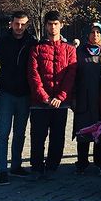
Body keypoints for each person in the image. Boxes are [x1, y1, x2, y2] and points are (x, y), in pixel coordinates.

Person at [27, 10, 77, 179]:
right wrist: (45, 97)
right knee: (37, 136)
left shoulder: (69, 49)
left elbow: (71, 75)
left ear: (61, 25)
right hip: (39, 102)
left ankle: (52, 167)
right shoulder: (37, 49)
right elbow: (33, 75)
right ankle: (36, 167)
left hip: (60, 103)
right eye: (50, 24)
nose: (53, 27)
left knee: (57, 136)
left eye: (56, 24)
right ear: (46, 25)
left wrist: (60, 97)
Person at [0, 11, 37, 185]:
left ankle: (16, 166)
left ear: (27, 24)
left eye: (23, 24)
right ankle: (2, 170)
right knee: (3, 133)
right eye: (17, 23)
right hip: (5, 93)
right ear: (11, 23)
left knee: (20, 133)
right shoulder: (3, 41)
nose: (19, 27)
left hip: (25, 94)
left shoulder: (32, 42)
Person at [73, 22, 101, 176]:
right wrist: (73, 98)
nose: (95, 35)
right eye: (92, 32)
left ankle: (100, 162)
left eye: (98, 32)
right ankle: (82, 163)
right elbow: (73, 76)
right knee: (83, 132)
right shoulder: (79, 52)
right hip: (83, 98)